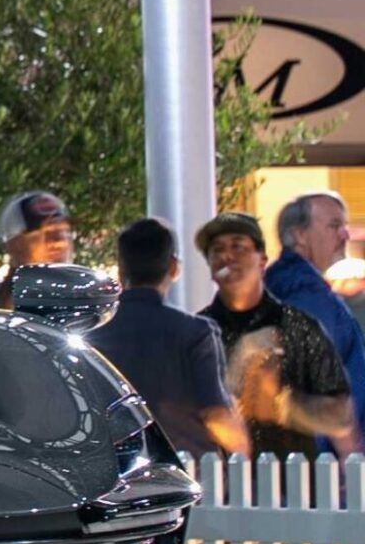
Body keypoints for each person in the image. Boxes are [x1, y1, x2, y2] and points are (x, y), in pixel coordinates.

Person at [196, 212, 360, 459]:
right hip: (219, 487)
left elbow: (340, 416)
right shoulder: (198, 332)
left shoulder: (298, 327)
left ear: (262, 259)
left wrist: (282, 404)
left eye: (238, 247)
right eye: (216, 250)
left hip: (295, 485)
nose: (226, 256)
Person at [86, 218, 250, 458]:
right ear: (174, 268)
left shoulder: (92, 334)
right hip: (187, 472)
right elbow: (216, 416)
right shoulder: (196, 332)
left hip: (117, 473)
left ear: (121, 268)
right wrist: (244, 451)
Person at [264, 189, 365, 439]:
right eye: (334, 225)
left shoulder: (280, 286)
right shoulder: (310, 299)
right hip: (322, 462)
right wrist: (350, 453)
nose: (345, 235)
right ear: (300, 235)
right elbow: (322, 387)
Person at [0, 190, 74, 309]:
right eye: (46, 233)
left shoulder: (90, 306)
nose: (60, 242)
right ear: (14, 244)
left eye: (65, 232)